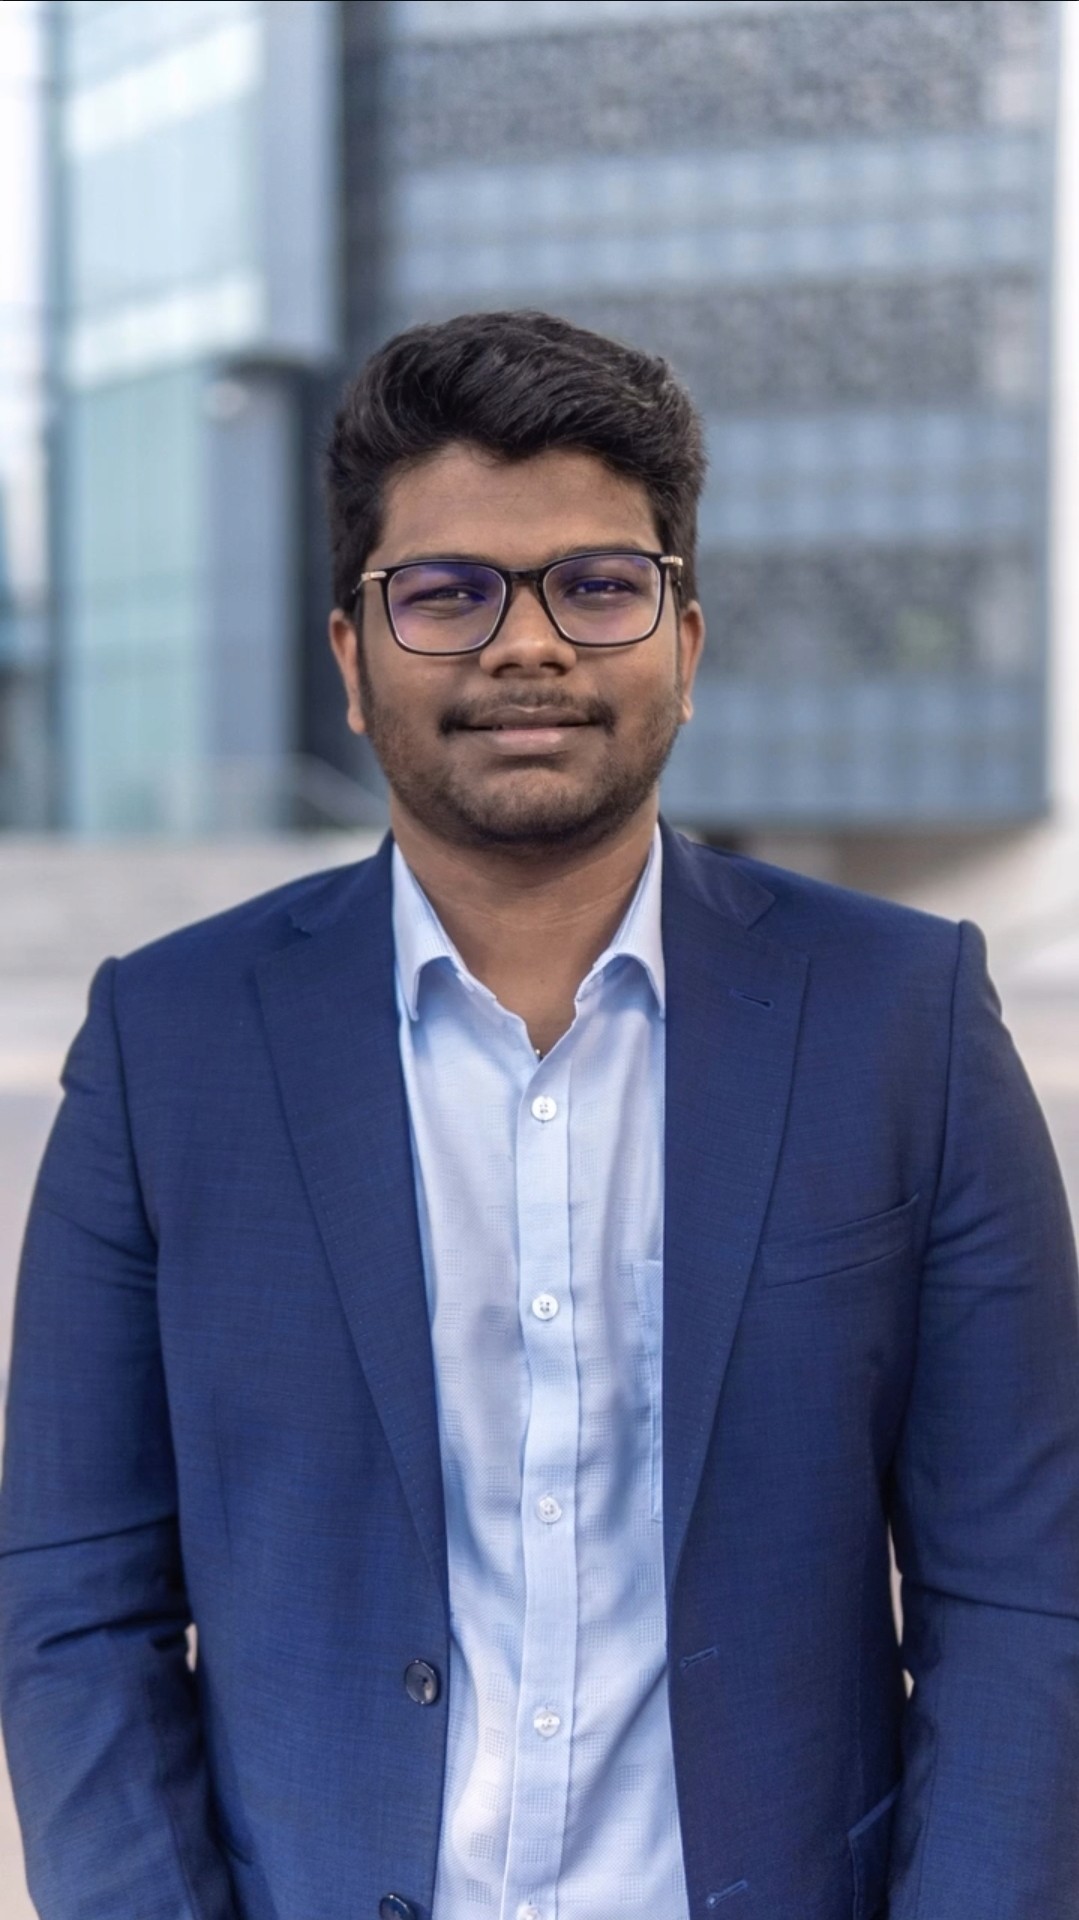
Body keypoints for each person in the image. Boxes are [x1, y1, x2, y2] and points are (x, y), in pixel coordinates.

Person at [2, 309, 1078, 1920]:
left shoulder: (900, 1017)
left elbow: (1025, 1591)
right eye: (445, 594)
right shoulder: (169, 1043)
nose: (526, 644)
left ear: (687, 646)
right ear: (354, 664)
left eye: (597, 584)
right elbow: (75, 1604)